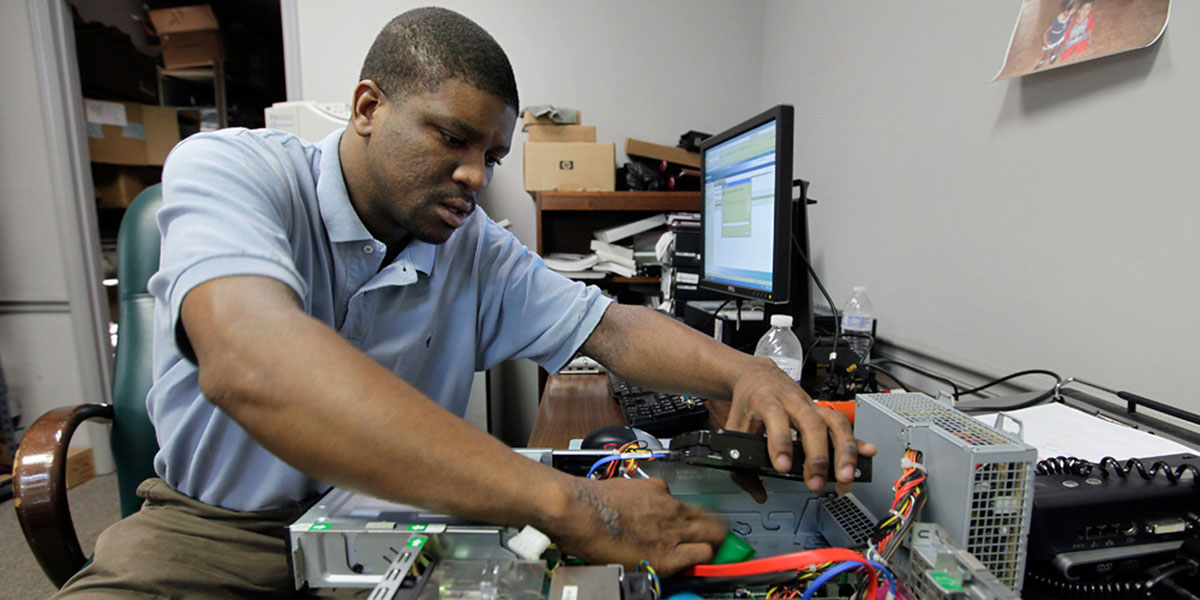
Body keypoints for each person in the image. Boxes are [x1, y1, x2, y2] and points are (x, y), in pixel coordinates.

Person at [54, 7, 873, 598]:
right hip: (217, 534)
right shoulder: (233, 171)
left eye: (492, 154)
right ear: (368, 107)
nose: (477, 177)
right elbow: (254, 365)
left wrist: (747, 375)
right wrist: (574, 503)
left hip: (414, 521)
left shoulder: (469, 242)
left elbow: (612, 327)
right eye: (452, 139)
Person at [1035, 0, 1075, 70]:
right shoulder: (1056, 21)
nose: (1074, 11)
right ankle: (1043, 60)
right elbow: (1045, 32)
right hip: (1052, 39)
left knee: (1057, 47)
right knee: (1047, 52)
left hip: (1060, 36)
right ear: (1066, 11)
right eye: (1073, 9)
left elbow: (1070, 22)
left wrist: (1070, 28)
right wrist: (1045, 40)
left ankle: (1053, 55)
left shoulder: (1069, 16)